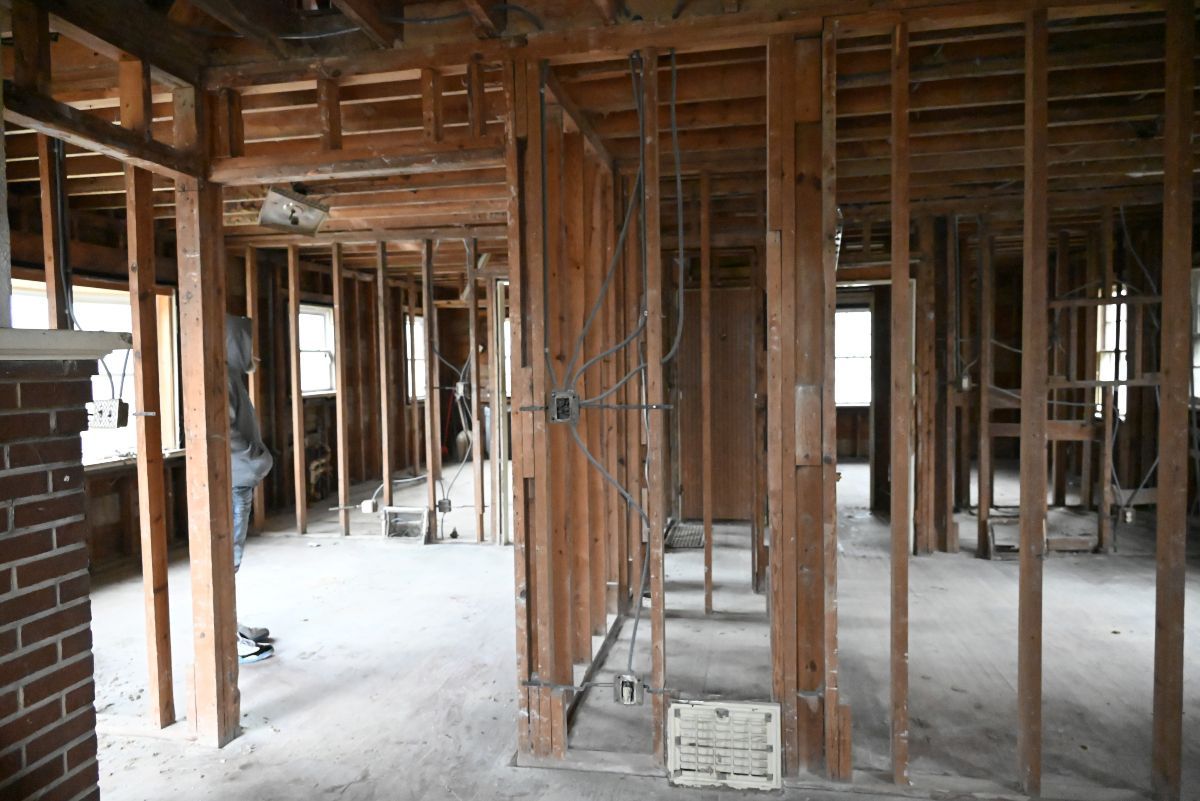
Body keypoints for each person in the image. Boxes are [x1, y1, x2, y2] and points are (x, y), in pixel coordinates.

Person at [227, 315, 275, 664]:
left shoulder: (229, 377)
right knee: (227, 559)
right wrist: (255, 459)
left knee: (231, 558)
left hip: (236, 480)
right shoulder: (221, 380)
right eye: (245, 343)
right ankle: (227, 641)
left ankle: (231, 627)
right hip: (232, 482)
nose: (250, 352)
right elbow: (226, 434)